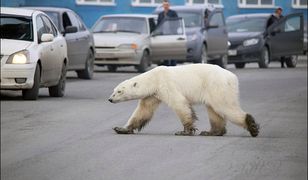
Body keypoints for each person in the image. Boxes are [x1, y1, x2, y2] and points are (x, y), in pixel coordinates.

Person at [157, 0, 178, 66]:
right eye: (164, 5)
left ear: (169, 5)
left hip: (172, 35)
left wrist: (174, 31)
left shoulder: (173, 13)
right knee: (165, 50)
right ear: (163, 6)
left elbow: (176, 23)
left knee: (173, 50)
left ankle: (173, 64)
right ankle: (166, 64)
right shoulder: (160, 14)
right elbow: (158, 25)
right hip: (163, 35)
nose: (165, 6)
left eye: (167, 5)